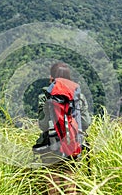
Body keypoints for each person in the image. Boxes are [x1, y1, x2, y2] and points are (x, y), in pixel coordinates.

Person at [33, 62, 91, 194]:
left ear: (52, 77)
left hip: (50, 144)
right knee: (70, 180)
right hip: (72, 143)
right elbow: (86, 122)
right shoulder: (78, 97)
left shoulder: (45, 97)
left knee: (52, 182)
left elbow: (43, 125)